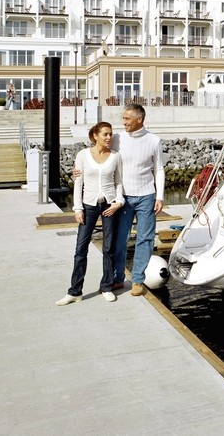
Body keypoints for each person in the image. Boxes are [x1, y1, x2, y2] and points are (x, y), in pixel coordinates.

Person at [75, 103, 165, 296]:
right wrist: (79, 171)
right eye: (123, 118)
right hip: (122, 197)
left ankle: (138, 280)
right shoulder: (116, 138)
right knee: (119, 239)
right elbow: (98, 155)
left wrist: (160, 196)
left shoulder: (154, 141)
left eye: (127, 118)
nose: (123, 122)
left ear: (139, 119)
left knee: (145, 238)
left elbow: (158, 169)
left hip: (147, 195)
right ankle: (117, 278)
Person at [56, 122, 124, 306]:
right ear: (95, 136)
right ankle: (75, 291)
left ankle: (107, 287)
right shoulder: (83, 155)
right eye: (105, 134)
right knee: (80, 249)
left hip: (110, 205)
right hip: (89, 205)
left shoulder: (116, 156)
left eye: (110, 134)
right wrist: (78, 208)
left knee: (108, 248)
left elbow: (118, 182)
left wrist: (119, 202)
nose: (109, 137)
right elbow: (78, 182)